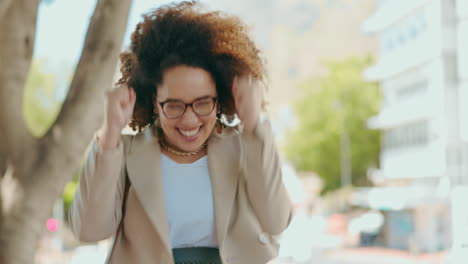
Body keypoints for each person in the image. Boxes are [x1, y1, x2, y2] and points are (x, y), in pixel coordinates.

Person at [69, 1, 293, 263]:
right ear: (154, 100)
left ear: (219, 98)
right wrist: (109, 137)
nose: (189, 119)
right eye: (174, 105)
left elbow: (276, 222)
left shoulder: (245, 147)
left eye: (202, 103)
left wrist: (253, 127)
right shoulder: (125, 152)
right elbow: (89, 231)